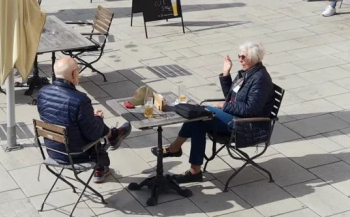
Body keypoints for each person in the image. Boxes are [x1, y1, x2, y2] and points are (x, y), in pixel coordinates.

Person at [154, 42, 274, 182]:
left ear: (255, 58)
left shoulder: (260, 79)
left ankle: (175, 149)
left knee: (202, 113)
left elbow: (250, 109)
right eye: (239, 56)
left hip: (246, 125)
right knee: (199, 120)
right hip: (235, 117)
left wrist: (224, 106)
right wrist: (226, 73)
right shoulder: (246, 73)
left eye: (244, 57)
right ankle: (194, 171)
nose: (240, 59)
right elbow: (230, 96)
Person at [36, 57, 132, 183]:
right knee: (96, 131)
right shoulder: (80, 100)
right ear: (74, 74)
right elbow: (93, 133)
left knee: (82, 124)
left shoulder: (42, 93)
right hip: (76, 155)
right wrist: (98, 118)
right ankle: (111, 140)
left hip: (53, 151)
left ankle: (113, 136)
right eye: (78, 70)